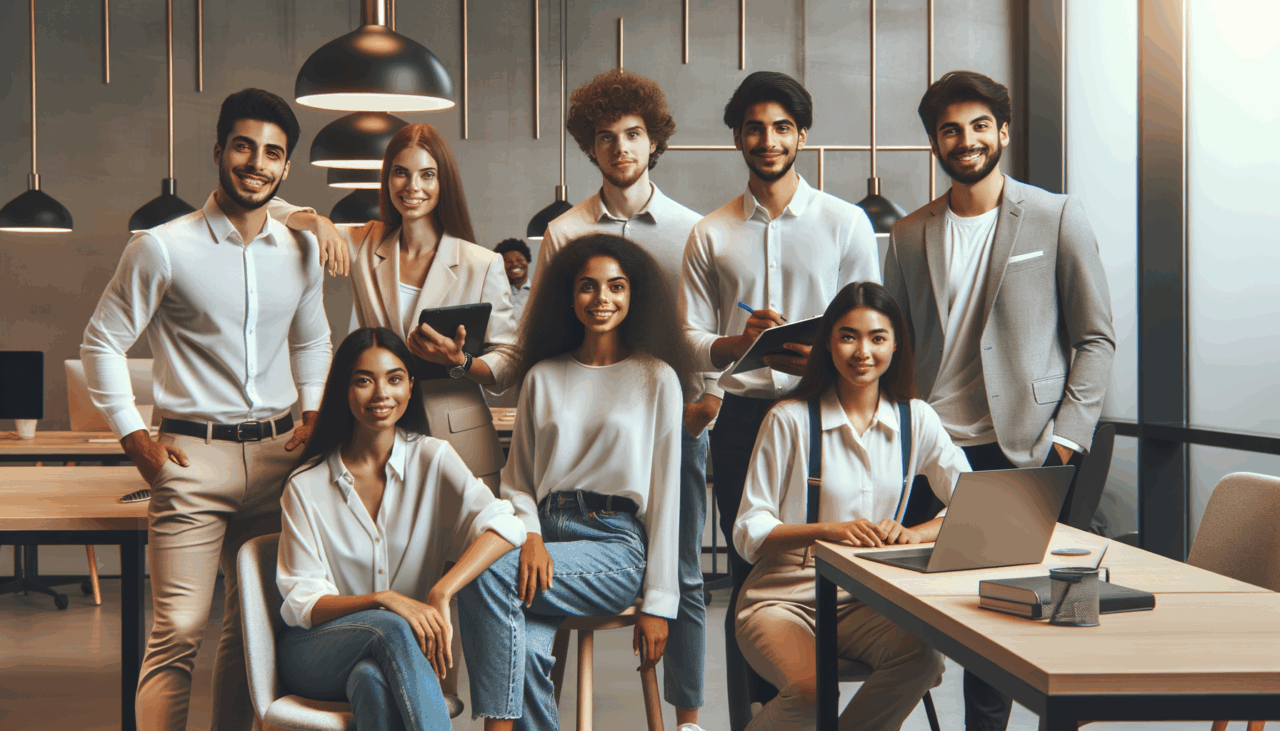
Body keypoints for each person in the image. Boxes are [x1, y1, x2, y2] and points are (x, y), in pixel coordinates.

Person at [80, 88, 332, 731]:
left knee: (255, 630)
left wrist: (312, 415)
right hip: (193, 459)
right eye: (244, 146)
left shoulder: (301, 249)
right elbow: (101, 342)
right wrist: (135, 438)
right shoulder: (161, 247)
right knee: (179, 631)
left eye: (272, 153)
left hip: (280, 458)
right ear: (220, 150)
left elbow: (311, 341)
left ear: (286, 167)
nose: (257, 163)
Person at [883, 70, 1116, 731]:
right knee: (916, 614)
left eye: (980, 125)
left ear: (1004, 132)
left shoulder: (1055, 215)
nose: (967, 139)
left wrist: (1065, 440)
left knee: (1023, 620)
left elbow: (1096, 338)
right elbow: (896, 346)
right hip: (931, 451)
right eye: (950, 129)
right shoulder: (907, 234)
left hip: (1023, 447)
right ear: (935, 142)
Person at [679, 70, 881, 729]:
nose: (769, 140)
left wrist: (821, 355)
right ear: (738, 137)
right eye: (755, 128)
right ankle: (760, 719)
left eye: (782, 127)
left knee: (837, 561)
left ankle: (817, 704)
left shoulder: (845, 222)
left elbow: (871, 327)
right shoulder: (710, 232)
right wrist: (738, 342)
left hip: (825, 413)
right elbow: (688, 338)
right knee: (751, 572)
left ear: (803, 135)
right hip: (742, 419)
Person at [457, 233, 695, 731]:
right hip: (542, 539)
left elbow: (667, 499)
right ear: (569, 296)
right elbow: (517, 481)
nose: (601, 298)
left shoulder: (657, 379)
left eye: (616, 286)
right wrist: (532, 536)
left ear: (633, 296)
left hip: (614, 543)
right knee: (523, 647)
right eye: (588, 286)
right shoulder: (542, 376)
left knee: (484, 574)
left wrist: (660, 603)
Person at [535, 68, 711, 731]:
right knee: (543, 569)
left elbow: (706, 328)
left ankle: (688, 720)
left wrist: (709, 400)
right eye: (606, 137)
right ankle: (538, 711)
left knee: (685, 575)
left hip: (674, 421)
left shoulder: (693, 230)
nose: (620, 148)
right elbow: (546, 331)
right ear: (590, 146)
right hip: (587, 432)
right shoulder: (563, 232)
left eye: (633, 134)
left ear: (654, 140)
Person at [734, 281, 966, 731]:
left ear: (896, 345)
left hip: (866, 600)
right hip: (782, 598)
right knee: (812, 692)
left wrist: (914, 533)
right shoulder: (789, 419)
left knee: (922, 659)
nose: (863, 352)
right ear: (828, 343)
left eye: (877, 338)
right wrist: (828, 531)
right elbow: (748, 531)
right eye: (848, 336)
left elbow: (971, 504)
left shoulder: (916, 418)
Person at [276, 327, 525, 731]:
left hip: (396, 657)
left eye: (394, 379)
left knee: (371, 681)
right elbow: (303, 604)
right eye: (363, 380)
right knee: (391, 624)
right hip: (314, 653)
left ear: (410, 386)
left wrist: (442, 590)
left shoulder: (433, 459)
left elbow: (505, 524)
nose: (381, 394)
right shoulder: (305, 485)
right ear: (343, 389)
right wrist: (385, 600)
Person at [270, 122, 519, 489]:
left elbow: (510, 362)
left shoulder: (481, 263)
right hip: (379, 438)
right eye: (401, 173)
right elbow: (268, 209)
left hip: (462, 444)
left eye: (427, 175)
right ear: (387, 180)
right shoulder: (365, 244)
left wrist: (460, 362)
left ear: (444, 182)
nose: (412, 187)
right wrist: (319, 221)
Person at [494, 238, 533, 322]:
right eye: (508, 261)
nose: (514, 264)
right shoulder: (494, 294)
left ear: (527, 261)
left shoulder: (541, 292)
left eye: (519, 259)